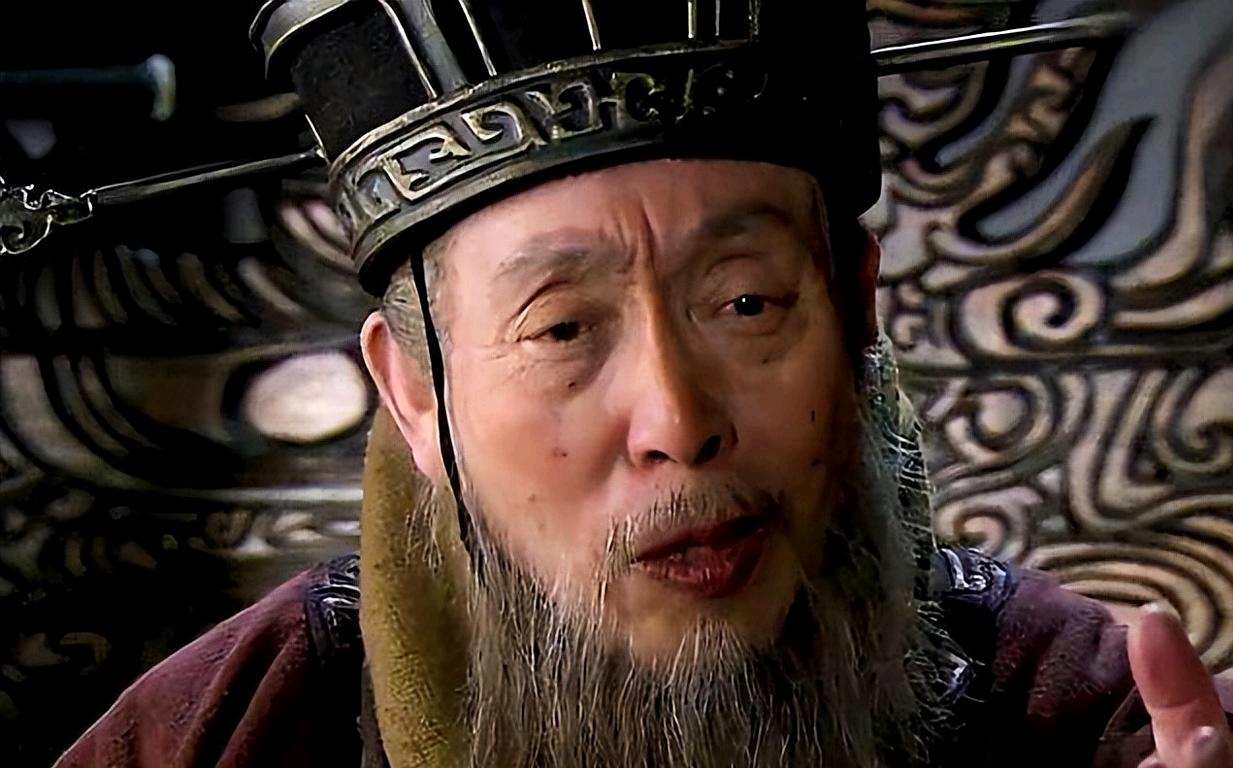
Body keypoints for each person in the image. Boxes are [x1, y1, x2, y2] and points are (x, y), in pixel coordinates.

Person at [54, 1, 1233, 766]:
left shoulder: (1086, 712)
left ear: (858, 309)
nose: (678, 422)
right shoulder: (226, 733)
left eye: (748, 304)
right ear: (413, 393)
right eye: (563, 328)